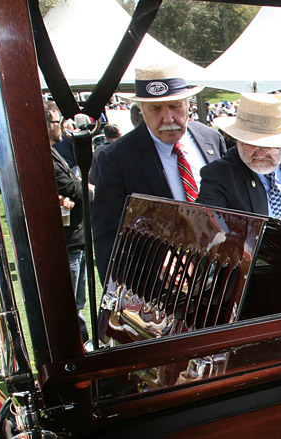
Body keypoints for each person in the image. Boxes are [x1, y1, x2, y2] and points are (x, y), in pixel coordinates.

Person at [197, 93, 281, 306]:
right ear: (237, 138)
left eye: (271, 145)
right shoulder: (218, 176)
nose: (261, 153)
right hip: (257, 301)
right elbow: (208, 233)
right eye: (251, 144)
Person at [91, 63, 227, 281]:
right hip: (162, 285)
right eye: (156, 109)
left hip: (221, 275)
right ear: (140, 110)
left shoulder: (210, 138)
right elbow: (109, 236)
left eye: (175, 106)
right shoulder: (117, 158)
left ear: (187, 104)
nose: (168, 118)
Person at [46, 102, 89, 342]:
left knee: (78, 301)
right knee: (72, 304)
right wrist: (90, 191)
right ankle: (78, 347)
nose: (61, 126)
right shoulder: (44, 155)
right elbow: (71, 187)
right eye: (56, 121)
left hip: (76, 237)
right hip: (67, 241)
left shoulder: (53, 152)